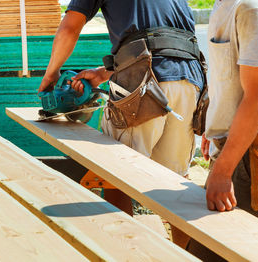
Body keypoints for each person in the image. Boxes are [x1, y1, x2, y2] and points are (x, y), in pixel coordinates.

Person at [38, 0, 205, 247]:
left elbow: (69, 28)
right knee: (174, 182)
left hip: (146, 77)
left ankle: (127, 252)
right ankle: (181, 255)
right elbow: (163, 39)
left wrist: (51, 75)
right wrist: (104, 73)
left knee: (115, 176)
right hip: (189, 78)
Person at [186, 0, 258, 260]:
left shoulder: (251, 8)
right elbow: (229, 78)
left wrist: (223, 170)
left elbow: (257, 97)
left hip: (251, 163)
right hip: (235, 153)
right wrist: (213, 129)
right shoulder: (225, 5)